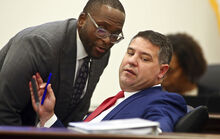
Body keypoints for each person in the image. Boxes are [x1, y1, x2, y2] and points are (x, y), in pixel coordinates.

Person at [0, 0, 125, 126]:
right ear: (82, 20)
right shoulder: (40, 45)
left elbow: (75, 115)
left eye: (115, 35)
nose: (107, 40)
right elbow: (4, 110)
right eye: (101, 29)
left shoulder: (100, 53)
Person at [29, 30, 187, 132]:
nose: (132, 61)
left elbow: (159, 130)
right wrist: (48, 116)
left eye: (144, 58)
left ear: (162, 71)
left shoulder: (164, 101)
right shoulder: (114, 101)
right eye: (130, 53)